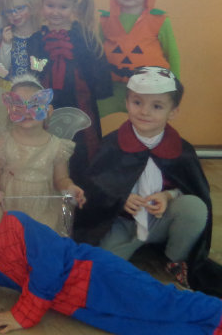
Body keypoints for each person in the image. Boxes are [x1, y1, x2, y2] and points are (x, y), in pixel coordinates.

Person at [0, 169, 222, 335]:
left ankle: (215, 311)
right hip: (71, 301)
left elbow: (47, 270)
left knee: (154, 299)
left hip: (94, 273)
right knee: (135, 325)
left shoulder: (19, 224)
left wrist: (22, 315)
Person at [75, 67, 222, 296]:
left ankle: (174, 259)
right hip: (124, 224)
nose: (144, 111)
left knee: (194, 207)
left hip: (162, 220)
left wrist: (168, 196)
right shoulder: (113, 145)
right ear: (127, 103)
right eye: (137, 102)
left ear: (173, 112)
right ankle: (129, 250)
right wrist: (120, 198)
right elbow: (95, 186)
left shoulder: (181, 149)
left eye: (157, 106)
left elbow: (191, 187)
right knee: (100, 269)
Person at [0, 76, 85, 234]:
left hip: (42, 210)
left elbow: (61, 179)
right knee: (10, 240)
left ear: (48, 111)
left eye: (35, 105)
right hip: (10, 207)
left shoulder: (57, 146)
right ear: (9, 110)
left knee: (37, 241)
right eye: (19, 106)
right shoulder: (3, 144)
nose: (26, 112)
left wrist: (69, 187)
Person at [27, 0, 112, 186]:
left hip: (79, 102)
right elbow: (33, 69)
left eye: (63, 7)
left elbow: (97, 67)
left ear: (74, 6)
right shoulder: (36, 38)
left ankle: (82, 187)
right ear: (42, 4)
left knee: (82, 143)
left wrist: (99, 89)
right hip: (48, 101)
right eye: (50, 5)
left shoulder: (84, 36)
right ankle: (49, 186)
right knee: (47, 140)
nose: (55, 12)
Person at [98, 0, 180, 116]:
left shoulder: (159, 20)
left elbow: (173, 54)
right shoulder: (105, 20)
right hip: (112, 86)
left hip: (149, 89)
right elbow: (96, 52)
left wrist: (174, 87)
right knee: (91, 116)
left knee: (147, 121)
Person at [0, 0, 38, 84]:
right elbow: (2, 70)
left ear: (31, 6)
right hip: (12, 88)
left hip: (36, 88)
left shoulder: (42, 34)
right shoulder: (4, 36)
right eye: (8, 11)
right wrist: (6, 44)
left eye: (19, 8)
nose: (14, 14)